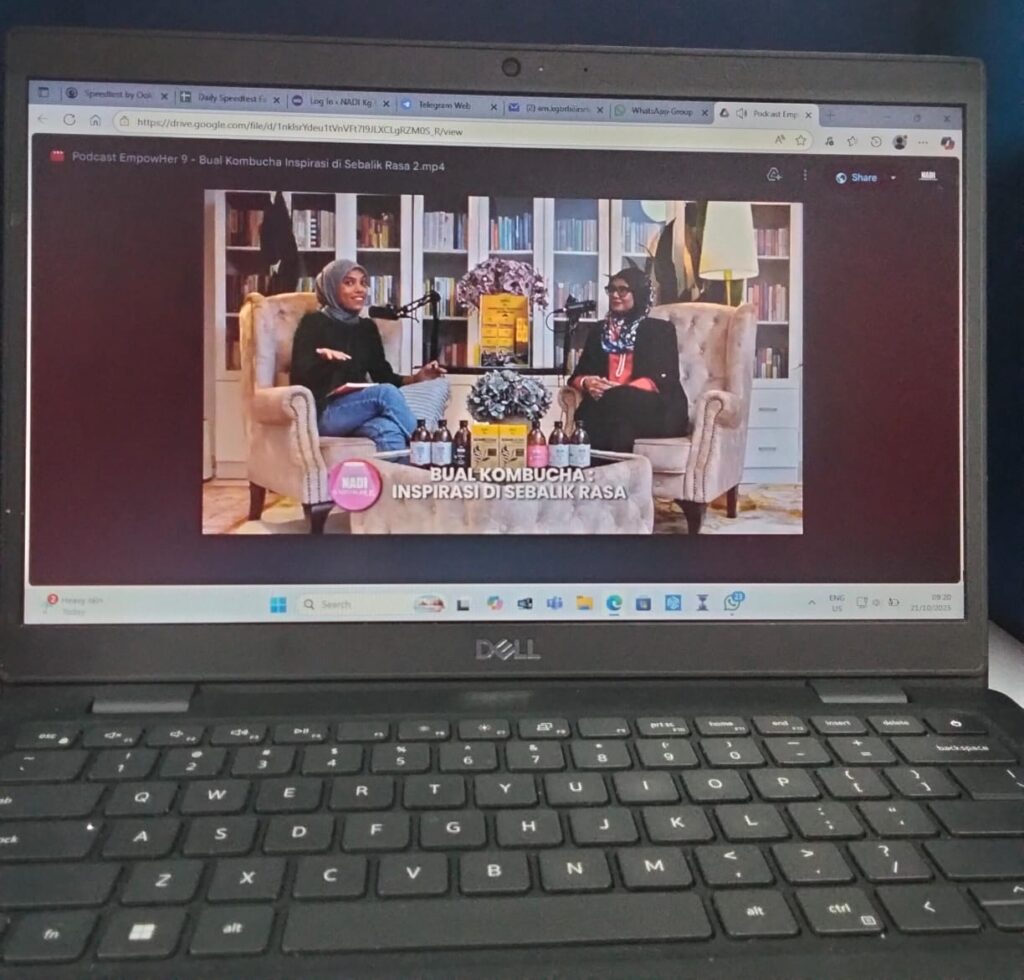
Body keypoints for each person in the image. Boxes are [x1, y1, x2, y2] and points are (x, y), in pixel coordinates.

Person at [290, 259, 446, 451]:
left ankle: (406, 470)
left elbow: (384, 376)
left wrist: (417, 377)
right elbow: (298, 377)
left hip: (358, 411)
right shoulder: (313, 323)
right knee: (385, 393)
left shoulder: (367, 328)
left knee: (388, 430)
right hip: (322, 413)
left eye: (363, 283)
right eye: (349, 283)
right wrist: (321, 359)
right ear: (331, 288)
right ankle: (434, 450)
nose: (360, 290)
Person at [568, 267, 689, 452]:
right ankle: (610, 468)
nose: (615, 295)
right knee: (618, 426)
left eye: (622, 290)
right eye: (611, 289)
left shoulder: (659, 330)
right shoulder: (599, 331)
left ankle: (597, 465)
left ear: (638, 293)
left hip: (655, 408)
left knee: (613, 401)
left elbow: (665, 378)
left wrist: (619, 389)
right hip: (611, 407)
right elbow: (577, 376)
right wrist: (588, 383)